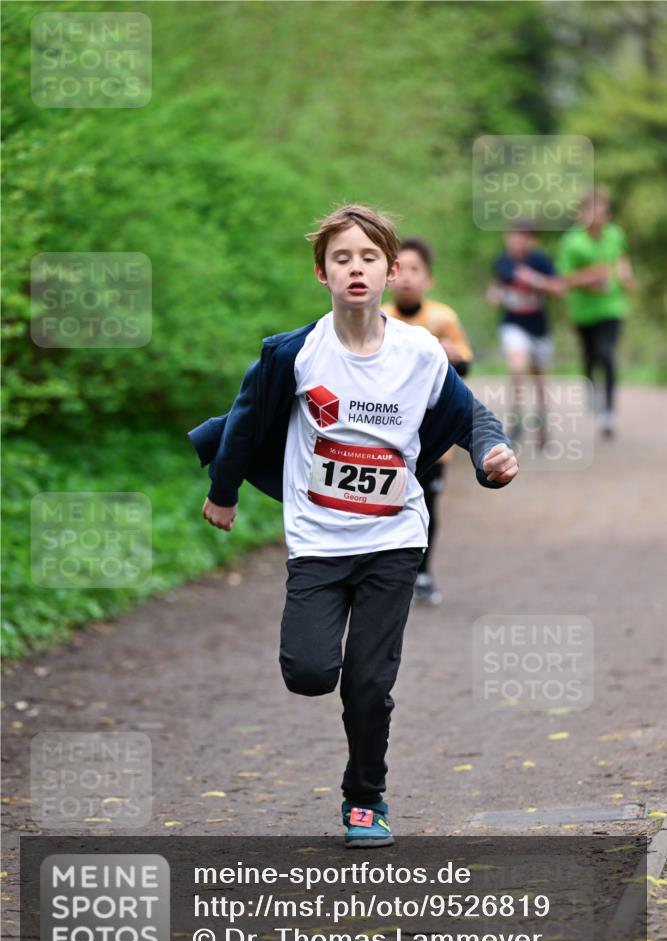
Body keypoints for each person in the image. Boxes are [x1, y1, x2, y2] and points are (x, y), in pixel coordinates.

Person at [189, 203, 518, 848]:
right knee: (309, 672)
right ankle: (341, 715)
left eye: (369, 257)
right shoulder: (295, 353)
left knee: (368, 684)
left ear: (391, 271)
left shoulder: (419, 352)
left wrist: (492, 454)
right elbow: (244, 424)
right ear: (323, 273)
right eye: (342, 258)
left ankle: (365, 800)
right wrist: (222, 493)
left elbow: (473, 418)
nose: (356, 268)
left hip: (394, 540)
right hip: (317, 541)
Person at [384, 236, 474, 607]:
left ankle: (422, 572)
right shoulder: (378, 317)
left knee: (426, 502)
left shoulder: (443, 318)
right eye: (400, 269)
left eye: (415, 269)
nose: (407, 277)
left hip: (434, 435)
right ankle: (386, 574)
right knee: (387, 502)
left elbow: (465, 366)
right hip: (388, 432)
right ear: (389, 275)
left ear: (428, 278)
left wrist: (452, 356)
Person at [556, 187, 635, 438]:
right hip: (583, 311)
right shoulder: (571, 242)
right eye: (591, 210)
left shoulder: (615, 234)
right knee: (590, 355)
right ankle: (589, 384)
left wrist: (626, 275)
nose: (597, 216)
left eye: (601, 210)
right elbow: (564, 280)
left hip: (612, 307)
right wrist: (591, 278)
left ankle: (609, 411)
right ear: (581, 214)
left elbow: (620, 259)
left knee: (607, 354)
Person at [486, 221, 563, 448]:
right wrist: (494, 295)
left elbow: (559, 289)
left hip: (538, 327)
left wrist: (534, 280)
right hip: (513, 324)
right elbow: (495, 287)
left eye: (521, 237)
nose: (516, 241)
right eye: (512, 236)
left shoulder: (541, 260)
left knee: (539, 378)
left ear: (532, 239)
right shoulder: (502, 261)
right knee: (517, 367)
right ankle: (517, 417)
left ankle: (542, 424)